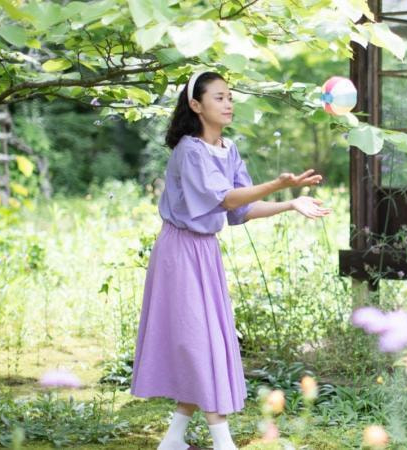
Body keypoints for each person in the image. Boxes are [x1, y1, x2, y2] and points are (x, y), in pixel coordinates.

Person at [130, 71, 331, 450]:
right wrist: (278, 184)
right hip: (180, 252)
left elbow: (242, 209)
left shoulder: (228, 149)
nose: (228, 104)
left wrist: (290, 203)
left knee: (205, 341)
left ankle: (173, 440)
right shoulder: (190, 151)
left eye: (230, 97)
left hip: (205, 252)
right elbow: (224, 198)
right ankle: (224, 444)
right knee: (200, 345)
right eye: (219, 97)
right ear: (196, 105)